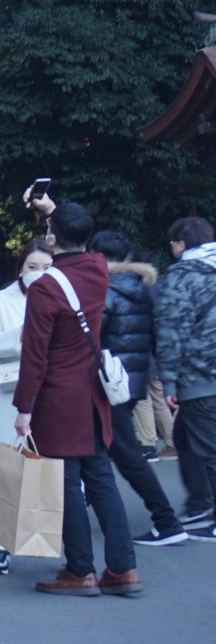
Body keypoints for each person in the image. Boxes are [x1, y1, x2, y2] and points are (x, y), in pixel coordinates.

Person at [15, 194, 139, 596]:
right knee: (101, 477)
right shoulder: (98, 269)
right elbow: (73, 233)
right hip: (92, 394)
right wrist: (50, 209)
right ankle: (122, 569)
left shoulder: (44, 288)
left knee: (65, 481)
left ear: (51, 239)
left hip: (57, 395)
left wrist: (24, 407)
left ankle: (80, 569)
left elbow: (35, 354)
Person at [90, 230, 187, 546]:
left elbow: (92, 337)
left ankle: (166, 521)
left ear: (99, 258)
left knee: (126, 455)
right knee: (99, 449)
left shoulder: (104, 291)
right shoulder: (143, 288)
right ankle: (86, 506)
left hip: (106, 385)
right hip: (131, 382)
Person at [0, 239, 54, 575]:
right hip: (13, 388)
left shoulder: (64, 296)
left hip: (54, 388)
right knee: (9, 461)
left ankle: (39, 538)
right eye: (32, 267)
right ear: (20, 268)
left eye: (47, 267)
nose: (38, 274)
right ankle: (1, 544)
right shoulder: (2, 300)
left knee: (46, 461)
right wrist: (20, 335)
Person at [155, 216, 216, 542]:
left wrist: (169, 381)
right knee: (187, 436)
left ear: (180, 244)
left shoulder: (182, 276)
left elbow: (170, 332)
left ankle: (206, 508)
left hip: (201, 375)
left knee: (208, 446)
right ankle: (198, 503)